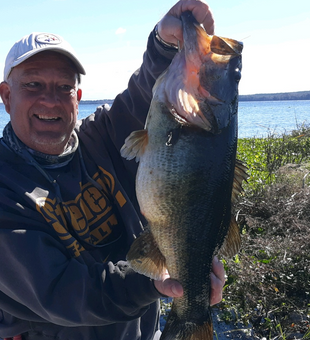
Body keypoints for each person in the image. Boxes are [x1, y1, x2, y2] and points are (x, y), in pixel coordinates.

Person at [0, 1, 225, 339]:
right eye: (33, 85)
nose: (50, 100)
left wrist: (165, 43)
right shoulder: (5, 188)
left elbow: (140, 98)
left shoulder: (100, 138)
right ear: (5, 96)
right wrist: (153, 282)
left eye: (63, 87)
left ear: (78, 97)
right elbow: (62, 291)